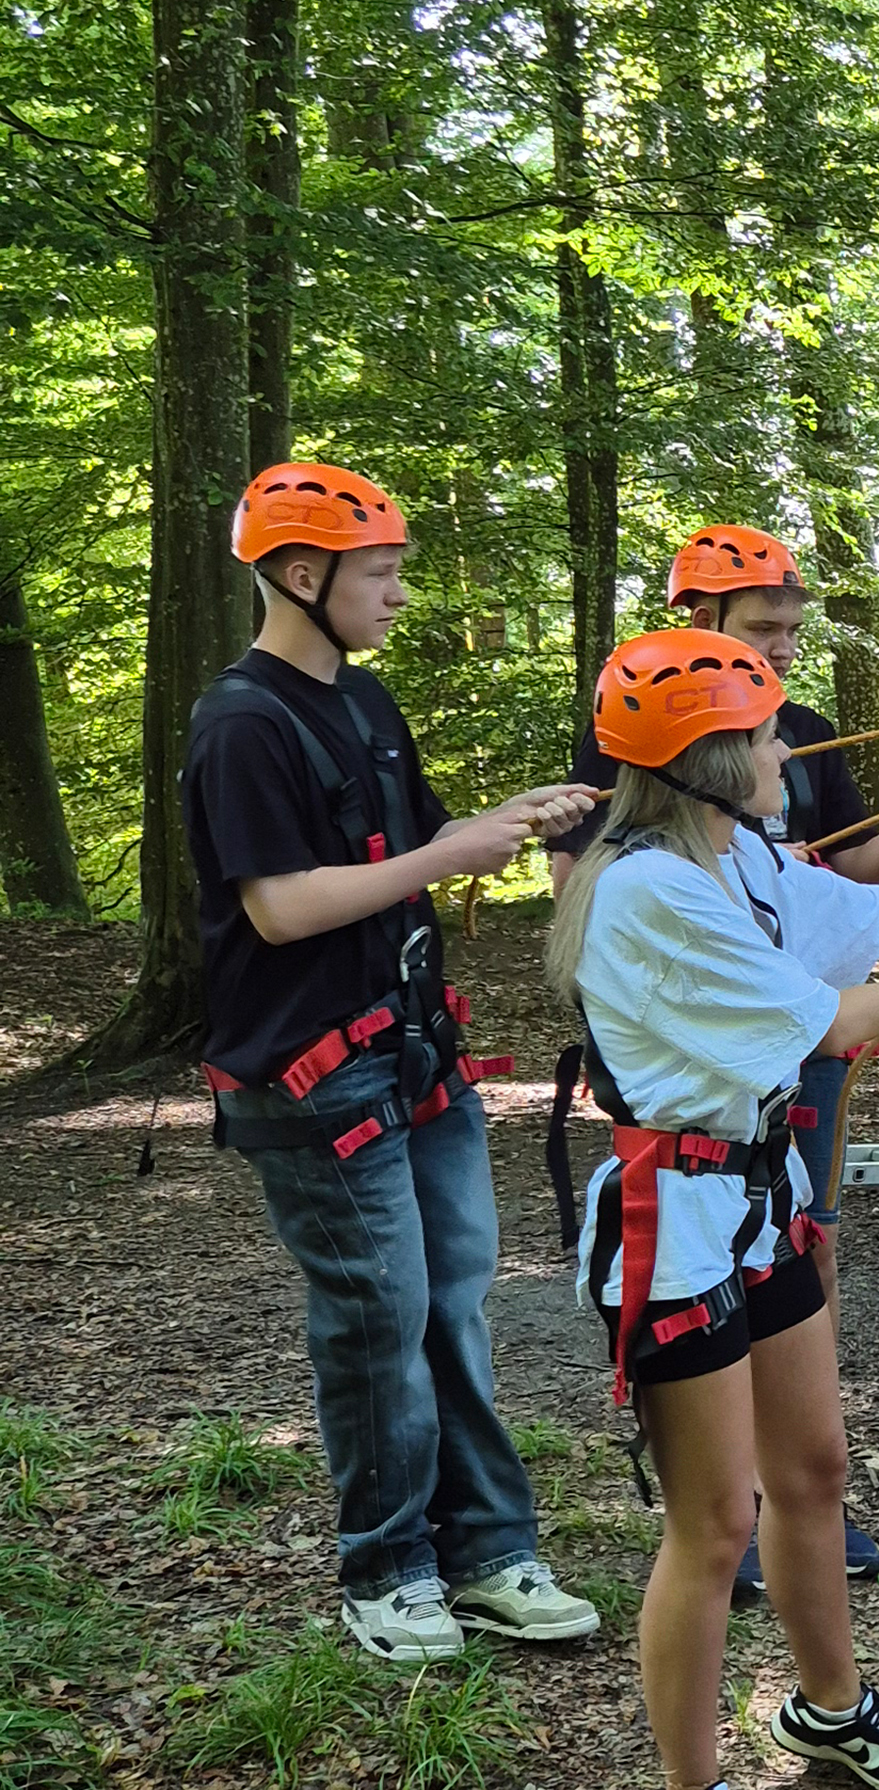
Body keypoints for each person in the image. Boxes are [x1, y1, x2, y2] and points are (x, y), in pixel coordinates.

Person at [554, 627, 879, 1790]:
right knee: (712, 1527)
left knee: (812, 1472)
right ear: (706, 759)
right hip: (679, 1227)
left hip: (757, 1197)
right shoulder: (647, 892)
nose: (784, 750)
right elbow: (835, 1019)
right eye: (760, 735)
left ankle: (829, 1708)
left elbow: (869, 908)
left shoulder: (734, 852)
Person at [186, 462, 602, 1661]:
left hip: (413, 1052)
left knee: (452, 1305)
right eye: (382, 571)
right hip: (316, 1075)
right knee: (378, 1317)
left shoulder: (363, 704)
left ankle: (487, 1550)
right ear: (300, 574)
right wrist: (449, 853)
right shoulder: (243, 722)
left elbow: (407, 849)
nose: (402, 592)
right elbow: (278, 906)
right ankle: (387, 1569)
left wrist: (501, 821)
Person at [549, 524, 879, 1587]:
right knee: (706, 1373)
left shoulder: (782, 756)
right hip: (714, 1077)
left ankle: (796, 1509)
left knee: (804, 1243)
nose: (786, 654)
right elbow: (598, 901)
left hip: (784, 1044)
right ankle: (725, 1505)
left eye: (793, 628)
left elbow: (850, 891)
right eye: (764, 629)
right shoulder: (647, 791)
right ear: (700, 625)